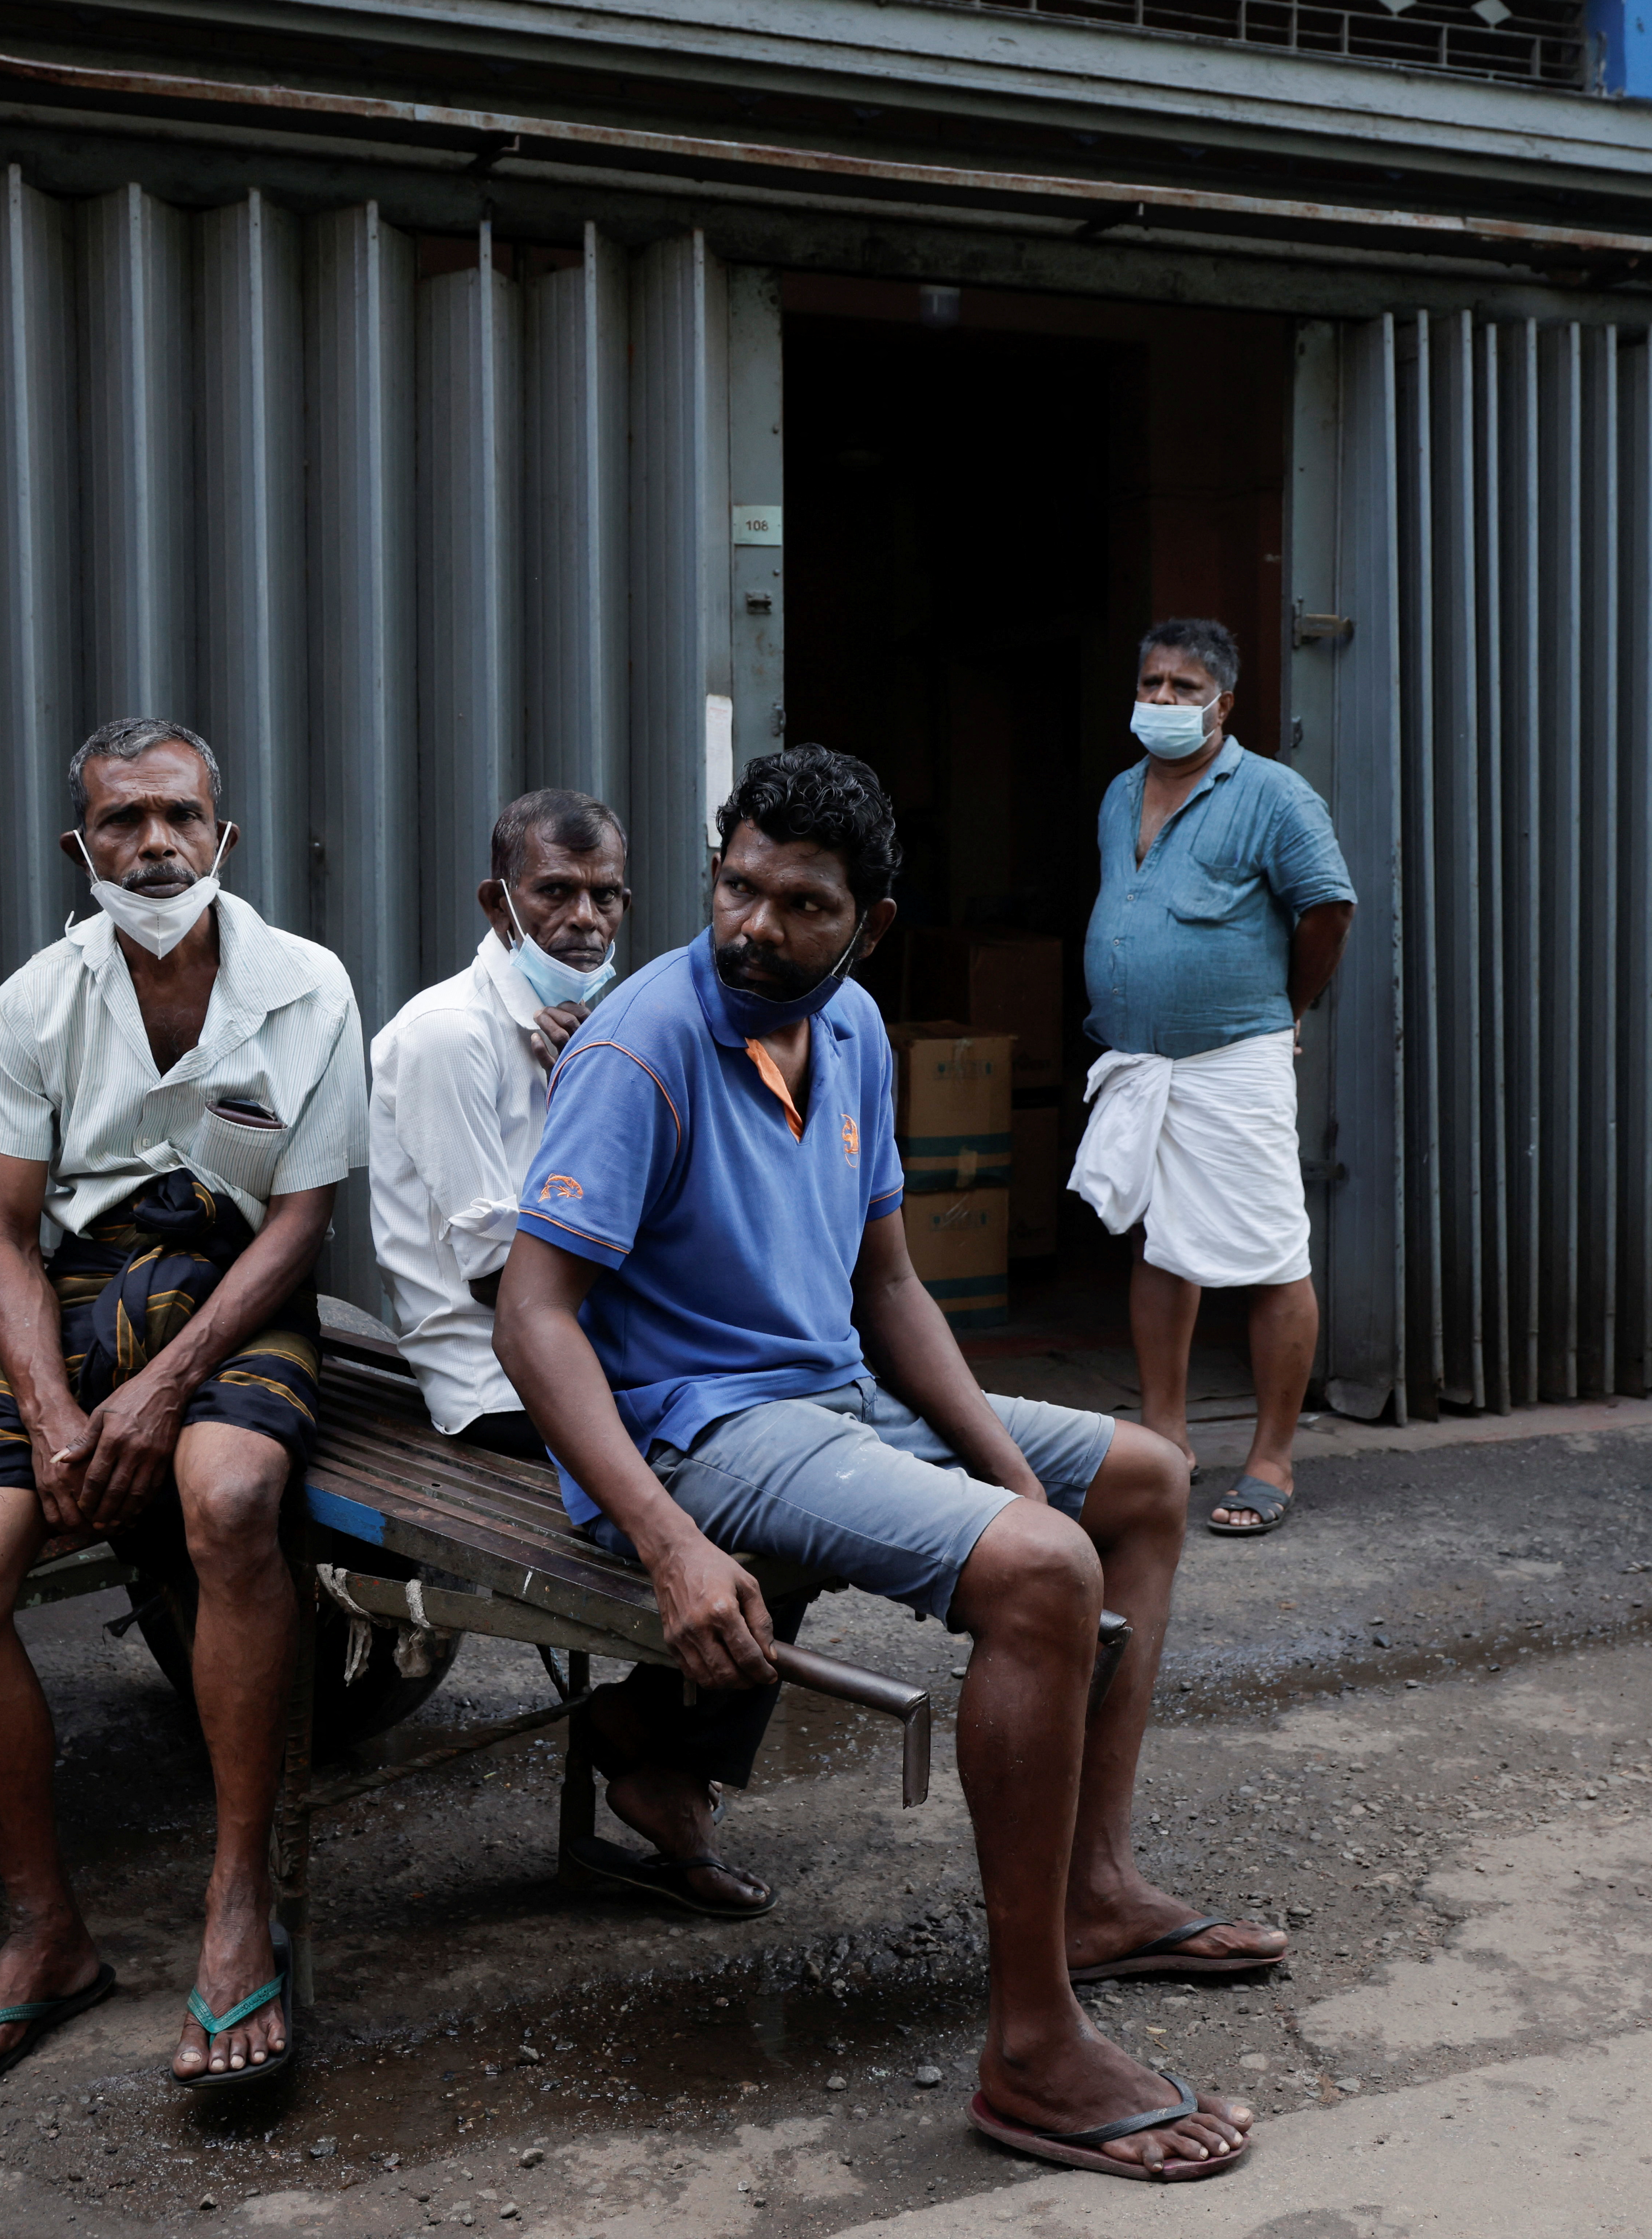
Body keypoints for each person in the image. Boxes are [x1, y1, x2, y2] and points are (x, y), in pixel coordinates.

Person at [494, 745, 1284, 2181]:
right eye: (739, 887)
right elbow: (532, 1314)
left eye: (801, 904)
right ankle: (1031, 2048)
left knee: (1142, 1480)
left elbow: (890, 1289)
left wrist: (1006, 1468)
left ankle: (1094, 1891)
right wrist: (670, 1542)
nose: (754, 926)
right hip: (704, 1430)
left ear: (867, 922)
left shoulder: (849, 1028)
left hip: (836, 1400)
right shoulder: (640, 1044)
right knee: (1042, 1577)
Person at [0, 718, 365, 2094]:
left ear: (226, 837)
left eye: (178, 816)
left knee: (229, 1499)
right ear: (79, 846)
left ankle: (237, 1900)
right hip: (84, 1298)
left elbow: (301, 1221)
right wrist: (52, 1409)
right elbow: (0, 1232)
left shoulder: (307, 986)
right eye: (121, 821)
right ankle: (46, 1930)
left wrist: (166, 1390)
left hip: (241, 1293)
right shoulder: (36, 1000)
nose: (152, 843)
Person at [368, 790, 786, 1919]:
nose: (586, 919)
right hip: (500, 1373)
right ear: (496, 901)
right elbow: (507, 1282)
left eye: (607, 895)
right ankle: (656, 1754)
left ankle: (655, 1744)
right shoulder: (451, 1035)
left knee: (807, 1437)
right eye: (555, 891)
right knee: (761, 1483)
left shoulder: (614, 1020)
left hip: (606, 1349)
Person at [1074, 619, 1355, 1539]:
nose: (1160, 702)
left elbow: (1327, 908)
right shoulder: (1121, 794)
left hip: (1235, 1058)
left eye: (1182, 689)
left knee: (1271, 1254)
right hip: (1139, 1058)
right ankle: (1165, 1433)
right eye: (1150, 683)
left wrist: (1286, 1010)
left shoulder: (1273, 793)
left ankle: (1271, 1457)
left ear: (1222, 705)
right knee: (1160, 1241)